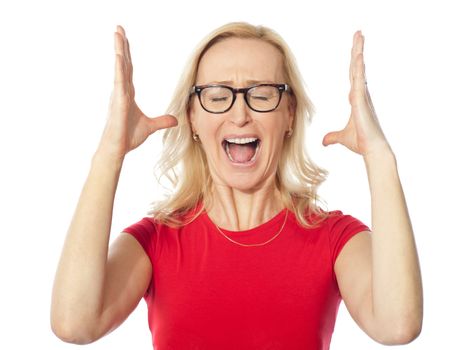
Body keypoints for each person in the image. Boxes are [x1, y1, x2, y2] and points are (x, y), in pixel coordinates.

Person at [51, 22, 423, 349]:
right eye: (217, 96)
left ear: (289, 114)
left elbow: (397, 326)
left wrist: (380, 156)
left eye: (262, 95)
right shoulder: (156, 241)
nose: (240, 114)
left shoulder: (333, 237)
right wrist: (109, 154)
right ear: (193, 118)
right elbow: (74, 325)